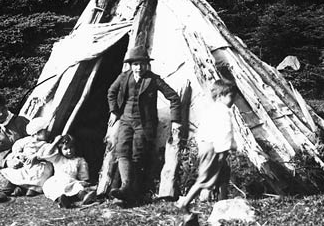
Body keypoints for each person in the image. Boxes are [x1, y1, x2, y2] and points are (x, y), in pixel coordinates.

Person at [107, 45, 181, 206]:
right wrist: (114, 111)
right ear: (131, 65)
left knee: (137, 154)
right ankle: (126, 187)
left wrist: (175, 120)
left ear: (147, 65)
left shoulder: (153, 79)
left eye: (141, 64)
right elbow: (111, 92)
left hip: (144, 123)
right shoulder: (124, 77)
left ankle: (133, 193)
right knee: (122, 150)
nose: (138, 68)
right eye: (135, 64)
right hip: (126, 119)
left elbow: (174, 97)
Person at [176, 78, 238, 213]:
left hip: (206, 146)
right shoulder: (223, 111)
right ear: (221, 96)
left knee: (222, 172)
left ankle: (222, 201)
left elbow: (202, 131)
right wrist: (229, 146)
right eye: (231, 97)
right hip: (214, 148)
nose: (233, 100)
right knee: (204, 179)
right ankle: (185, 202)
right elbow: (225, 131)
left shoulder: (211, 110)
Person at [0, 117, 55, 196]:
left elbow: (47, 152)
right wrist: (19, 154)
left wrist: (37, 156)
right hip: (25, 162)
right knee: (18, 172)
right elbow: (17, 146)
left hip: (38, 164)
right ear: (36, 134)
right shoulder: (26, 140)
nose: (48, 133)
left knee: (41, 174)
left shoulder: (45, 144)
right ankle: (19, 187)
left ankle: (32, 189)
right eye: (44, 132)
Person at [41, 134, 96, 208]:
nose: (69, 151)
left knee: (78, 187)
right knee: (53, 188)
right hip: (58, 181)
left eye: (71, 147)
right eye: (65, 149)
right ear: (60, 149)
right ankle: (62, 200)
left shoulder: (79, 160)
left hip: (72, 181)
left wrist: (84, 181)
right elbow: (47, 154)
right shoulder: (57, 158)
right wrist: (56, 142)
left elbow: (83, 175)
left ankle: (84, 196)